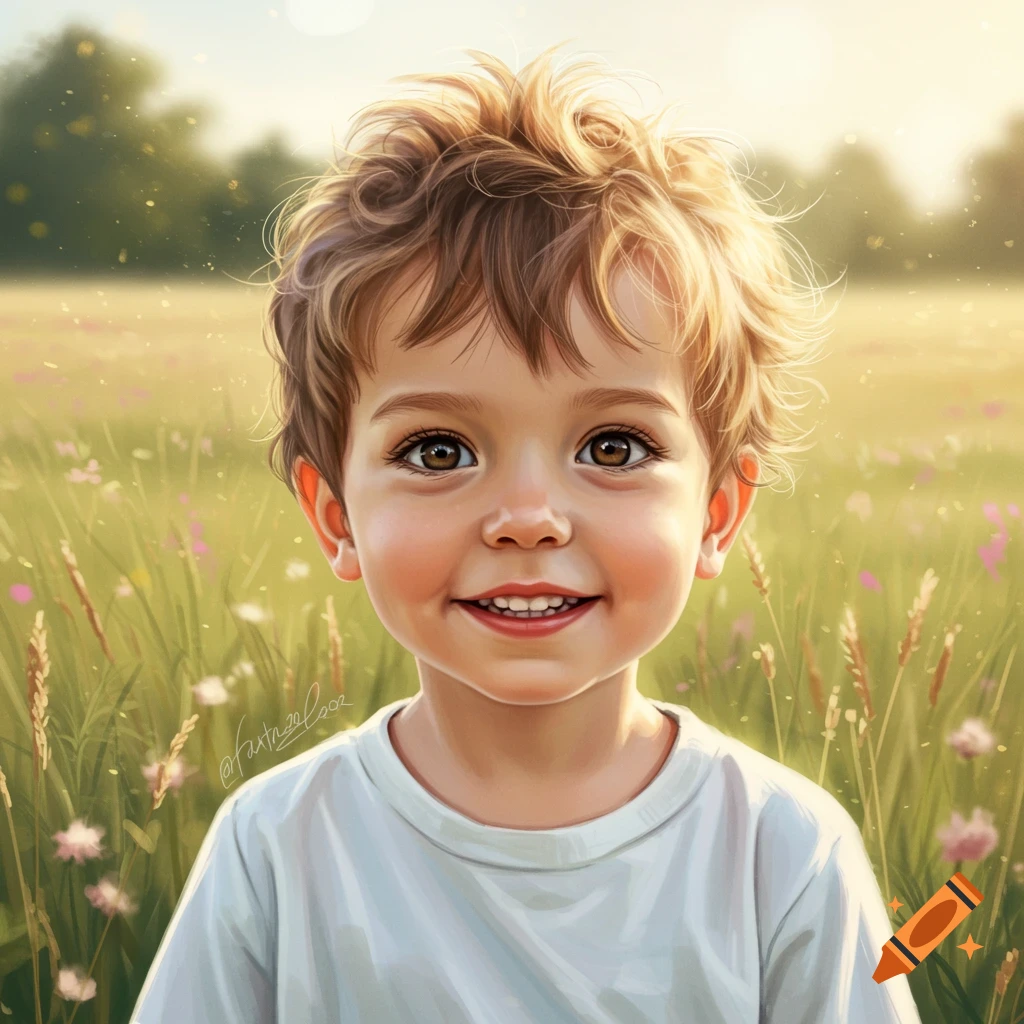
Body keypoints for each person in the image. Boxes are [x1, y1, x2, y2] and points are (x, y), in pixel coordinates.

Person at [130, 44, 921, 1023]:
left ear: (717, 512)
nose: (527, 517)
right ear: (335, 515)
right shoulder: (277, 850)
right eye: (437, 451)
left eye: (615, 445)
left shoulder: (780, 853)